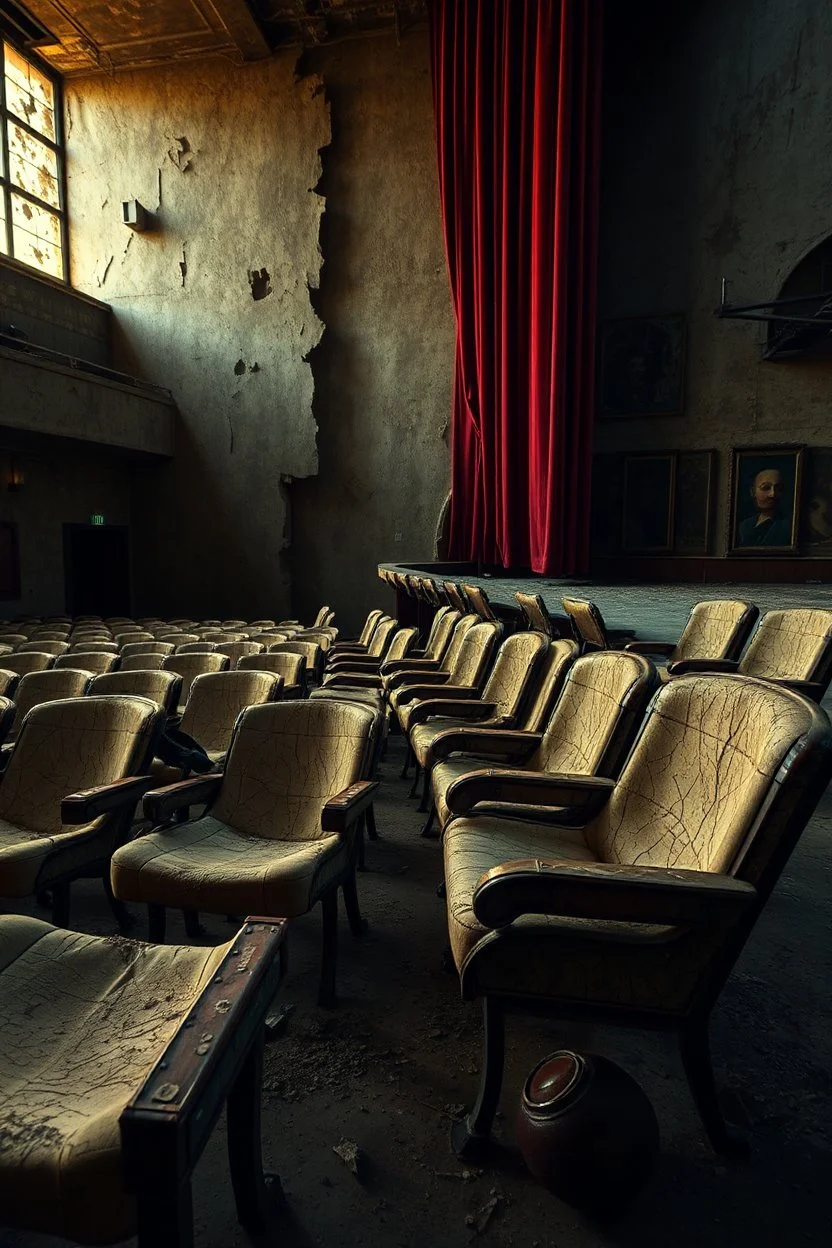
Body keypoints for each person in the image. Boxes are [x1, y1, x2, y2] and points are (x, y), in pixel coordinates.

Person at [738, 467, 792, 546]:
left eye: (778, 489)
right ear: (753, 492)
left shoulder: (789, 525)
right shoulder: (745, 525)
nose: (772, 494)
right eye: (766, 488)